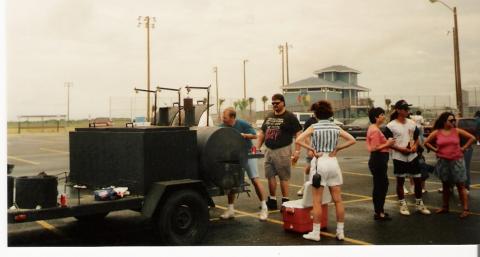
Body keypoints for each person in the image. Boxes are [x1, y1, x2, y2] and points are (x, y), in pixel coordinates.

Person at [295, 100, 356, 241]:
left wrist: (312, 149)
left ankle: (315, 233)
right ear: (329, 113)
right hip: (333, 162)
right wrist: (337, 148)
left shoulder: (314, 127)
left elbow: (298, 140)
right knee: (338, 200)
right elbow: (352, 140)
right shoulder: (335, 127)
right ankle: (340, 232)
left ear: (316, 114)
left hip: (319, 161)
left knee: (317, 201)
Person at [218, 108, 269, 221]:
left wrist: (244, 135)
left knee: (255, 180)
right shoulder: (222, 126)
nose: (223, 119)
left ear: (232, 117)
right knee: (231, 181)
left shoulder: (243, 124)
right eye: (223, 117)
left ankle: (264, 208)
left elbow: (255, 135)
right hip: (233, 156)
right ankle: (230, 209)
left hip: (248, 154)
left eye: (225, 117)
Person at [424, 112, 475, 218]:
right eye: (450, 120)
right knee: (445, 185)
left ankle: (465, 209)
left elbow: (472, 138)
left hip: (457, 161)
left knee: (461, 186)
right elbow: (426, 142)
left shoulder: (456, 131)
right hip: (444, 162)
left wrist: (463, 148)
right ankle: (445, 207)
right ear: (444, 121)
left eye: (454, 120)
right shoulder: (437, 132)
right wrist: (436, 150)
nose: (453, 122)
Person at [384, 100, 431, 216]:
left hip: (412, 156)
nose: (407, 111)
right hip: (399, 157)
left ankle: (419, 204)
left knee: (418, 180)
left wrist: (415, 146)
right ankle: (403, 205)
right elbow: (389, 142)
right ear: (398, 110)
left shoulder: (412, 123)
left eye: (408, 109)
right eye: (405, 109)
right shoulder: (391, 126)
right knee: (400, 181)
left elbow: (415, 138)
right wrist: (401, 149)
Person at [256, 94, 303, 210]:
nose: (275, 105)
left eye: (277, 103)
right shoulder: (269, 116)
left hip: (283, 150)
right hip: (269, 150)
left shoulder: (290, 116)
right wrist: (257, 147)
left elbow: (298, 133)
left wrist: (297, 150)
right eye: (273, 103)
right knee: (270, 176)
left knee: (283, 177)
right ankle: (272, 200)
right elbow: (262, 133)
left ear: (283, 102)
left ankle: (285, 201)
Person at [366, 107, 395, 221]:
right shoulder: (374, 130)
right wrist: (388, 143)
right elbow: (374, 148)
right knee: (381, 186)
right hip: (378, 159)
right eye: (382, 114)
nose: (384, 116)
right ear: (376, 117)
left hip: (379, 159)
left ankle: (379, 211)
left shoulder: (374, 128)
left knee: (381, 185)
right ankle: (379, 212)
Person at [297, 105, 318, 197]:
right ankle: (304, 186)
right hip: (312, 148)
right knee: (308, 167)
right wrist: (310, 148)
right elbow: (306, 136)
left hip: (323, 150)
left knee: (321, 169)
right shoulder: (310, 121)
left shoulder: (327, 121)